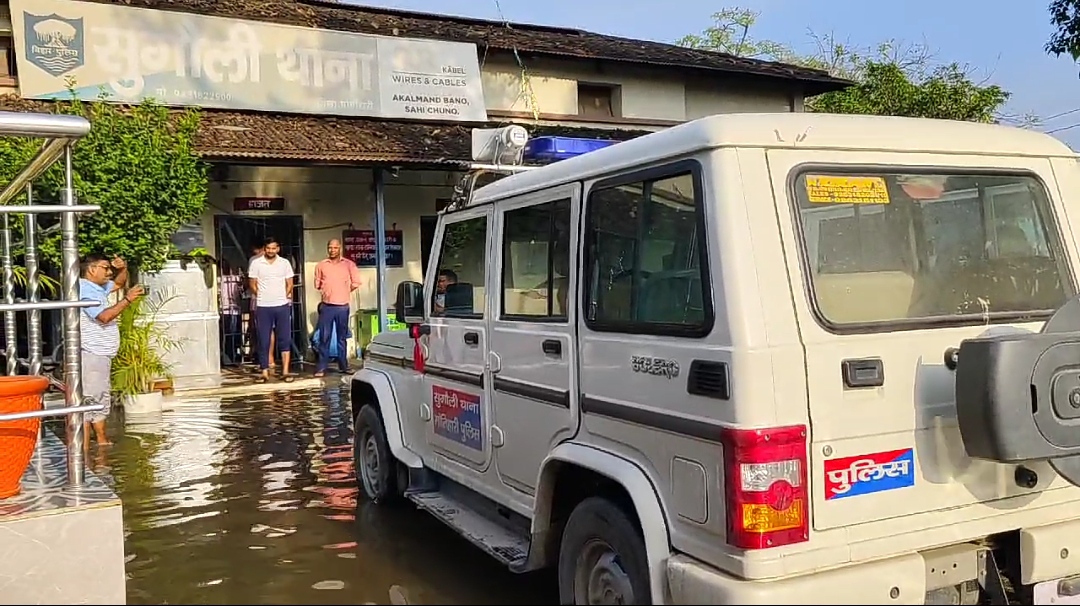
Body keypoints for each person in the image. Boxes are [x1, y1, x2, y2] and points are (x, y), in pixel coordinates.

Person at [79, 254, 141, 446]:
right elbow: (103, 317)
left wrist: (122, 269)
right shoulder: (84, 291)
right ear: (91, 269)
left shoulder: (95, 288)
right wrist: (127, 300)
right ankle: (87, 446)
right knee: (91, 398)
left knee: (99, 396)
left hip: (101, 353)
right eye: (105, 268)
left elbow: (118, 284)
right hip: (92, 352)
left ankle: (100, 440)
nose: (109, 272)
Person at [248, 236, 295, 383]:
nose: (271, 251)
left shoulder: (284, 263)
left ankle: (286, 372)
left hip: (281, 305)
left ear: (278, 249)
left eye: (273, 248)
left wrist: (283, 296)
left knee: (284, 338)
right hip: (263, 306)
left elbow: (290, 283)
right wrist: (261, 295)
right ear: (265, 249)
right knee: (264, 339)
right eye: (268, 248)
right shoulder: (256, 263)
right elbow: (252, 283)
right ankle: (264, 372)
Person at [313, 238, 360, 377]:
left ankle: (343, 366)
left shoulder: (349, 265)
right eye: (330, 247)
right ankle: (321, 367)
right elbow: (317, 284)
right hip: (327, 307)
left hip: (342, 307)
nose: (332, 250)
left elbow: (356, 282)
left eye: (335, 248)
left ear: (340, 248)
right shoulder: (321, 265)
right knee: (324, 337)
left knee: (341, 338)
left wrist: (344, 291)